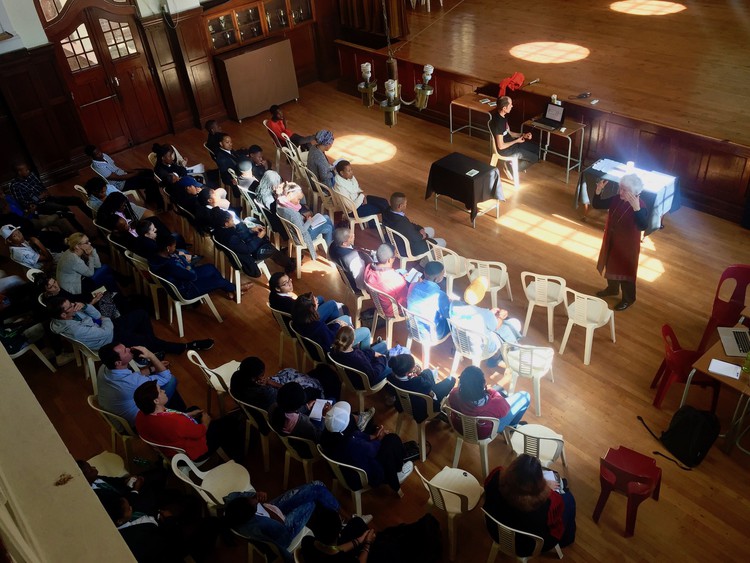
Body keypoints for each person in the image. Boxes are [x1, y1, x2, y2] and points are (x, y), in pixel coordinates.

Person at [224, 481, 345, 563]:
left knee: (317, 486)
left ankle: (339, 517)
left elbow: (236, 496)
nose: (256, 501)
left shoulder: (233, 504)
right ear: (250, 515)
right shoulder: (261, 526)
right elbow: (284, 540)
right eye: (255, 504)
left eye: (251, 499)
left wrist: (256, 495)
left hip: (272, 508)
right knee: (313, 499)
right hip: (285, 528)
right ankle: (343, 519)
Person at [483, 454, 576, 557]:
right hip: (528, 546)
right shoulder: (549, 503)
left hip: (495, 532)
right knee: (569, 499)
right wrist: (547, 488)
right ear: (539, 482)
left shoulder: (496, 476)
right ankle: (566, 539)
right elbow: (555, 524)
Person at [48, 295, 211, 353]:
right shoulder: (75, 330)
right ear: (63, 314)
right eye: (70, 306)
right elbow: (104, 329)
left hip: (107, 328)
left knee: (140, 314)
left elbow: (96, 315)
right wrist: (105, 319)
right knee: (146, 340)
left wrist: (85, 306)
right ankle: (185, 347)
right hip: (108, 339)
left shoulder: (69, 315)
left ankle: (149, 347)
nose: (74, 306)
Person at [134, 380, 242, 461]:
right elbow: (199, 432)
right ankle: (236, 454)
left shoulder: (140, 416)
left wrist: (188, 415)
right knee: (229, 422)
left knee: (193, 409)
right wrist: (206, 421)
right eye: (160, 391)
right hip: (192, 452)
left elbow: (171, 419)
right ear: (156, 401)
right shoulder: (175, 422)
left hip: (168, 447)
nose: (163, 390)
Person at [320, 401, 412, 493]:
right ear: (346, 425)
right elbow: (373, 450)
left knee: (379, 432)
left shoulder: (327, 435)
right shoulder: (353, 443)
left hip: (342, 469)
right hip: (360, 476)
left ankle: (397, 462)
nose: (350, 417)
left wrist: (373, 436)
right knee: (392, 439)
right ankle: (395, 474)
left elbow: (356, 435)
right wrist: (379, 438)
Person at [299, 506, 442, 563]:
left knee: (356, 522)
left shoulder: (308, 542)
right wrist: (366, 545)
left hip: (337, 552)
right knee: (389, 549)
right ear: (338, 532)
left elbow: (332, 550)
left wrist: (359, 540)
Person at [593, 174, 649, 311]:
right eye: (621, 188)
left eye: (625, 190)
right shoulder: (616, 199)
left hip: (627, 246)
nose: (621, 192)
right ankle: (612, 289)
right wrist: (598, 191)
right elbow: (597, 204)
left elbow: (643, 226)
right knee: (610, 264)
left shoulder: (641, 206)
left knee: (626, 271)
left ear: (635, 192)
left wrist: (637, 209)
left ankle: (628, 299)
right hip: (612, 239)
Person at [97, 343, 187, 428]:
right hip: (136, 423)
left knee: (158, 384)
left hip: (116, 417)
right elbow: (166, 377)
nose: (129, 349)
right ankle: (178, 416)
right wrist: (151, 356)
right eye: (125, 351)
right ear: (118, 363)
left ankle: (180, 410)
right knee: (171, 381)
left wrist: (152, 369)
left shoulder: (104, 368)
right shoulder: (133, 382)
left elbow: (131, 377)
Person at [449, 277, 523, 362]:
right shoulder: (484, 314)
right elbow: (496, 327)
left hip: (460, 344)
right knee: (514, 324)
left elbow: (471, 316)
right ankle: (508, 356)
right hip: (482, 350)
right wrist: (500, 317)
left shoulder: (453, 305)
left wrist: (490, 313)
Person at [149, 234, 242, 300]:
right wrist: (186, 265)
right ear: (168, 248)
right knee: (220, 281)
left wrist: (182, 260)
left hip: (184, 277)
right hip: (187, 288)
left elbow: (181, 265)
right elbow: (192, 276)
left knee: (210, 267)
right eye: (174, 246)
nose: (175, 248)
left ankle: (230, 289)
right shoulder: (171, 265)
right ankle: (236, 289)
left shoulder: (158, 255)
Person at [447, 366, 530, 439]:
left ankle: (512, 426)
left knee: (498, 389)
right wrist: (492, 391)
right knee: (525, 395)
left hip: (460, 427)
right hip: (483, 433)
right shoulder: (495, 405)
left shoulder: (454, 394)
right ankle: (512, 427)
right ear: (483, 384)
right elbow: (506, 407)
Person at [8, 161, 91, 231]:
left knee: (76, 200)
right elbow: (25, 202)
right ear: (19, 172)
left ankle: (96, 218)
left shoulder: (31, 175)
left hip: (48, 198)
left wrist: (46, 192)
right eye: (26, 170)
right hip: (39, 206)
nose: (28, 171)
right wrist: (39, 198)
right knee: (65, 209)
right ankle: (81, 231)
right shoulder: (15, 186)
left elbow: (41, 186)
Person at [86, 144, 163, 210]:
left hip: (122, 175)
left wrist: (132, 171)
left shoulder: (104, 156)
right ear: (91, 157)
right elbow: (119, 178)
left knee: (148, 172)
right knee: (151, 182)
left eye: (99, 151)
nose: (100, 154)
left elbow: (117, 168)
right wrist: (136, 173)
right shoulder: (98, 167)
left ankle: (150, 198)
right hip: (120, 184)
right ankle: (161, 205)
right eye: (96, 154)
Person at [210, 207, 278, 279]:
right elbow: (248, 249)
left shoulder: (218, 231)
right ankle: (288, 264)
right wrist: (259, 237)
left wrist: (251, 230)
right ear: (226, 224)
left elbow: (239, 238)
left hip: (242, 249)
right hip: (247, 257)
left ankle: (287, 262)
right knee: (272, 249)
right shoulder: (231, 238)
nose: (233, 222)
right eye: (232, 220)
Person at [292, 292, 372, 351]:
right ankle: (363, 353)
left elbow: (326, 335)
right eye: (315, 302)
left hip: (316, 345)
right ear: (312, 309)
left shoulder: (298, 320)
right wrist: (338, 326)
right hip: (332, 350)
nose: (317, 302)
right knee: (366, 331)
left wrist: (337, 324)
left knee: (346, 318)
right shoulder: (318, 326)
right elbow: (331, 340)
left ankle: (354, 341)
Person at [387, 353, 455, 422]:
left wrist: (412, 376)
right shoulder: (418, 381)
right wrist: (420, 373)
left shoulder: (390, 378)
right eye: (413, 367)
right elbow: (430, 385)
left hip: (404, 405)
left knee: (428, 371)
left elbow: (393, 390)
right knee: (452, 379)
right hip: (423, 408)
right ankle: (437, 413)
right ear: (407, 373)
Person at [275, 182, 334, 253]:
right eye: (298, 199)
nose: (299, 202)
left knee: (326, 217)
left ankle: (334, 240)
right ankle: (331, 250)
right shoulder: (293, 213)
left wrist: (304, 219)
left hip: (296, 232)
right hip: (303, 237)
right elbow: (302, 230)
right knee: (328, 227)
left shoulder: (281, 202)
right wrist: (309, 221)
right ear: (290, 195)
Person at [382, 192, 445, 256]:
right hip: (410, 248)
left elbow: (409, 226)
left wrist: (420, 228)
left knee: (431, 230)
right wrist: (422, 235)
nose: (406, 205)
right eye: (405, 203)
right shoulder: (402, 222)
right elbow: (415, 238)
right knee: (442, 242)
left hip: (397, 239)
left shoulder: (387, 211)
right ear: (400, 206)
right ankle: (426, 260)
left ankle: (429, 252)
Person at [489, 96, 539, 176]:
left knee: (536, 149)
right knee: (535, 158)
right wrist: (516, 140)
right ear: (504, 108)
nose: (512, 106)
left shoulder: (502, 116)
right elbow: (501, 146)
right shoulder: (498, 123)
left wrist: (523, 135)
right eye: (510, 105)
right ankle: (510, 168)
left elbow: (510, 133)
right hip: (506, 150)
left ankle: (512, 164)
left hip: (512, 144)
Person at [268, 272, 345, 322]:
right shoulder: (288, 303)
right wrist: (314, 307)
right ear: (277, 288)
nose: (290, 284)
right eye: (285, 283)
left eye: (289, 280)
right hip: (303, 324)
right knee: (332, 304)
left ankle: (328, 318)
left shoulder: (273, 295)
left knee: (320, 298)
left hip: (293, 318)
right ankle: (334, 323)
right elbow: (304, 316)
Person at [406, 260, 451, 339]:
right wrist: (449, 302)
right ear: (437, 279)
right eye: (442, 275)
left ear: (424, 272)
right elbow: (447, 314)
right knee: (452, 321)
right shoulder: (439, 295)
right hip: (429, 334)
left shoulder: (414, 285)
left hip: (412, 327)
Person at [363, 244, 409, 317]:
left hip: (379, 304)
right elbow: (405, 301)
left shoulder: (368, 268)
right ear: (389, 260)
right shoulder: (397, 280)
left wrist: (400, 278)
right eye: (394, 256)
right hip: (394, 311)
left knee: (401, 271)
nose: (395, 258)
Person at [329, 226, 373, 293]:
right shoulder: (354, 260)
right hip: (358, 284)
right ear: (344, 243)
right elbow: (360, 282)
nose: (354, 235)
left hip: (348, 275)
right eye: (351, 237)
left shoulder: (333, 245)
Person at [85, 176, 150, 219]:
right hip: (118, 218)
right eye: (101, 192)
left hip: (127, 208)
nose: (104, 193)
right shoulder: (93, 203)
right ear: (93, 192)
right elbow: (107, 215)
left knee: (150, 215)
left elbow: (124, 198)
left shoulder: (109, 187)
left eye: (105, 190)